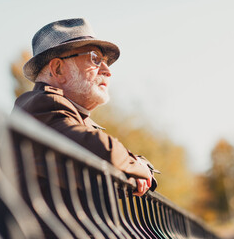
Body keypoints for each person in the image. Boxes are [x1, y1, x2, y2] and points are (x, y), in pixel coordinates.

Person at [14, 18, 157, 197]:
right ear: (58, 69)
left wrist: (133, 172)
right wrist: (138, 167)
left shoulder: (68, 115)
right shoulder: (42, 105)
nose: (107, 70)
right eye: (95, 59)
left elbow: (96, 174)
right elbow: (102, 149)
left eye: (105, 61)